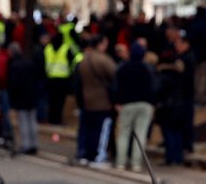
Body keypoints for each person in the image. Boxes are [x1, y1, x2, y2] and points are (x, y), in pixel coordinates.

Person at [74, 35, 116, 167]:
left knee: (89, 130)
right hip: (102, 102)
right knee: (101, 131)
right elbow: (115, 76)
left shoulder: (83, 61)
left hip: (87, 101)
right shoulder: (103, 60)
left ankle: (87, 155)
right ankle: (98, 157)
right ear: (101, 44)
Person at [114, 42, 155, 172]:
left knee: (123, 133)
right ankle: (136, 163)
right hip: (145, 103)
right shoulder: (148, 68)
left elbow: (116, 86)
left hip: (126, 104)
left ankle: (120, 162)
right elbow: (154, 87)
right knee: (140, 134)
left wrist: (117, 101)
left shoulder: (123, 68)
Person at [157, 50, 189, 165]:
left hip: (167, 108)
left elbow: (158, 91)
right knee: (177, 132)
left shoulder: (162, 76)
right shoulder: (180, 74)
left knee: (168, 133)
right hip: (180, 107)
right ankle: (178, 157)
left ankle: (170, 157)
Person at [8, 43, 39, 154]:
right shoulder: (29, 63)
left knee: (24, 122)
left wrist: (13, 100)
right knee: (32, 121)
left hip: (21, 98)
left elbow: (13, 84)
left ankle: (27, 145)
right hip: (31, 96)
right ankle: (34, 144)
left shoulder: (14, 65)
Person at [44, 33, 76, 125]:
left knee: (52, 100)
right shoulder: (66, 48)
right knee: (60, 101)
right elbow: (72, 62)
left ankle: (51, 119)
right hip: (63, 79)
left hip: (50, 78)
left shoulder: (48, 48)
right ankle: (57, 120)